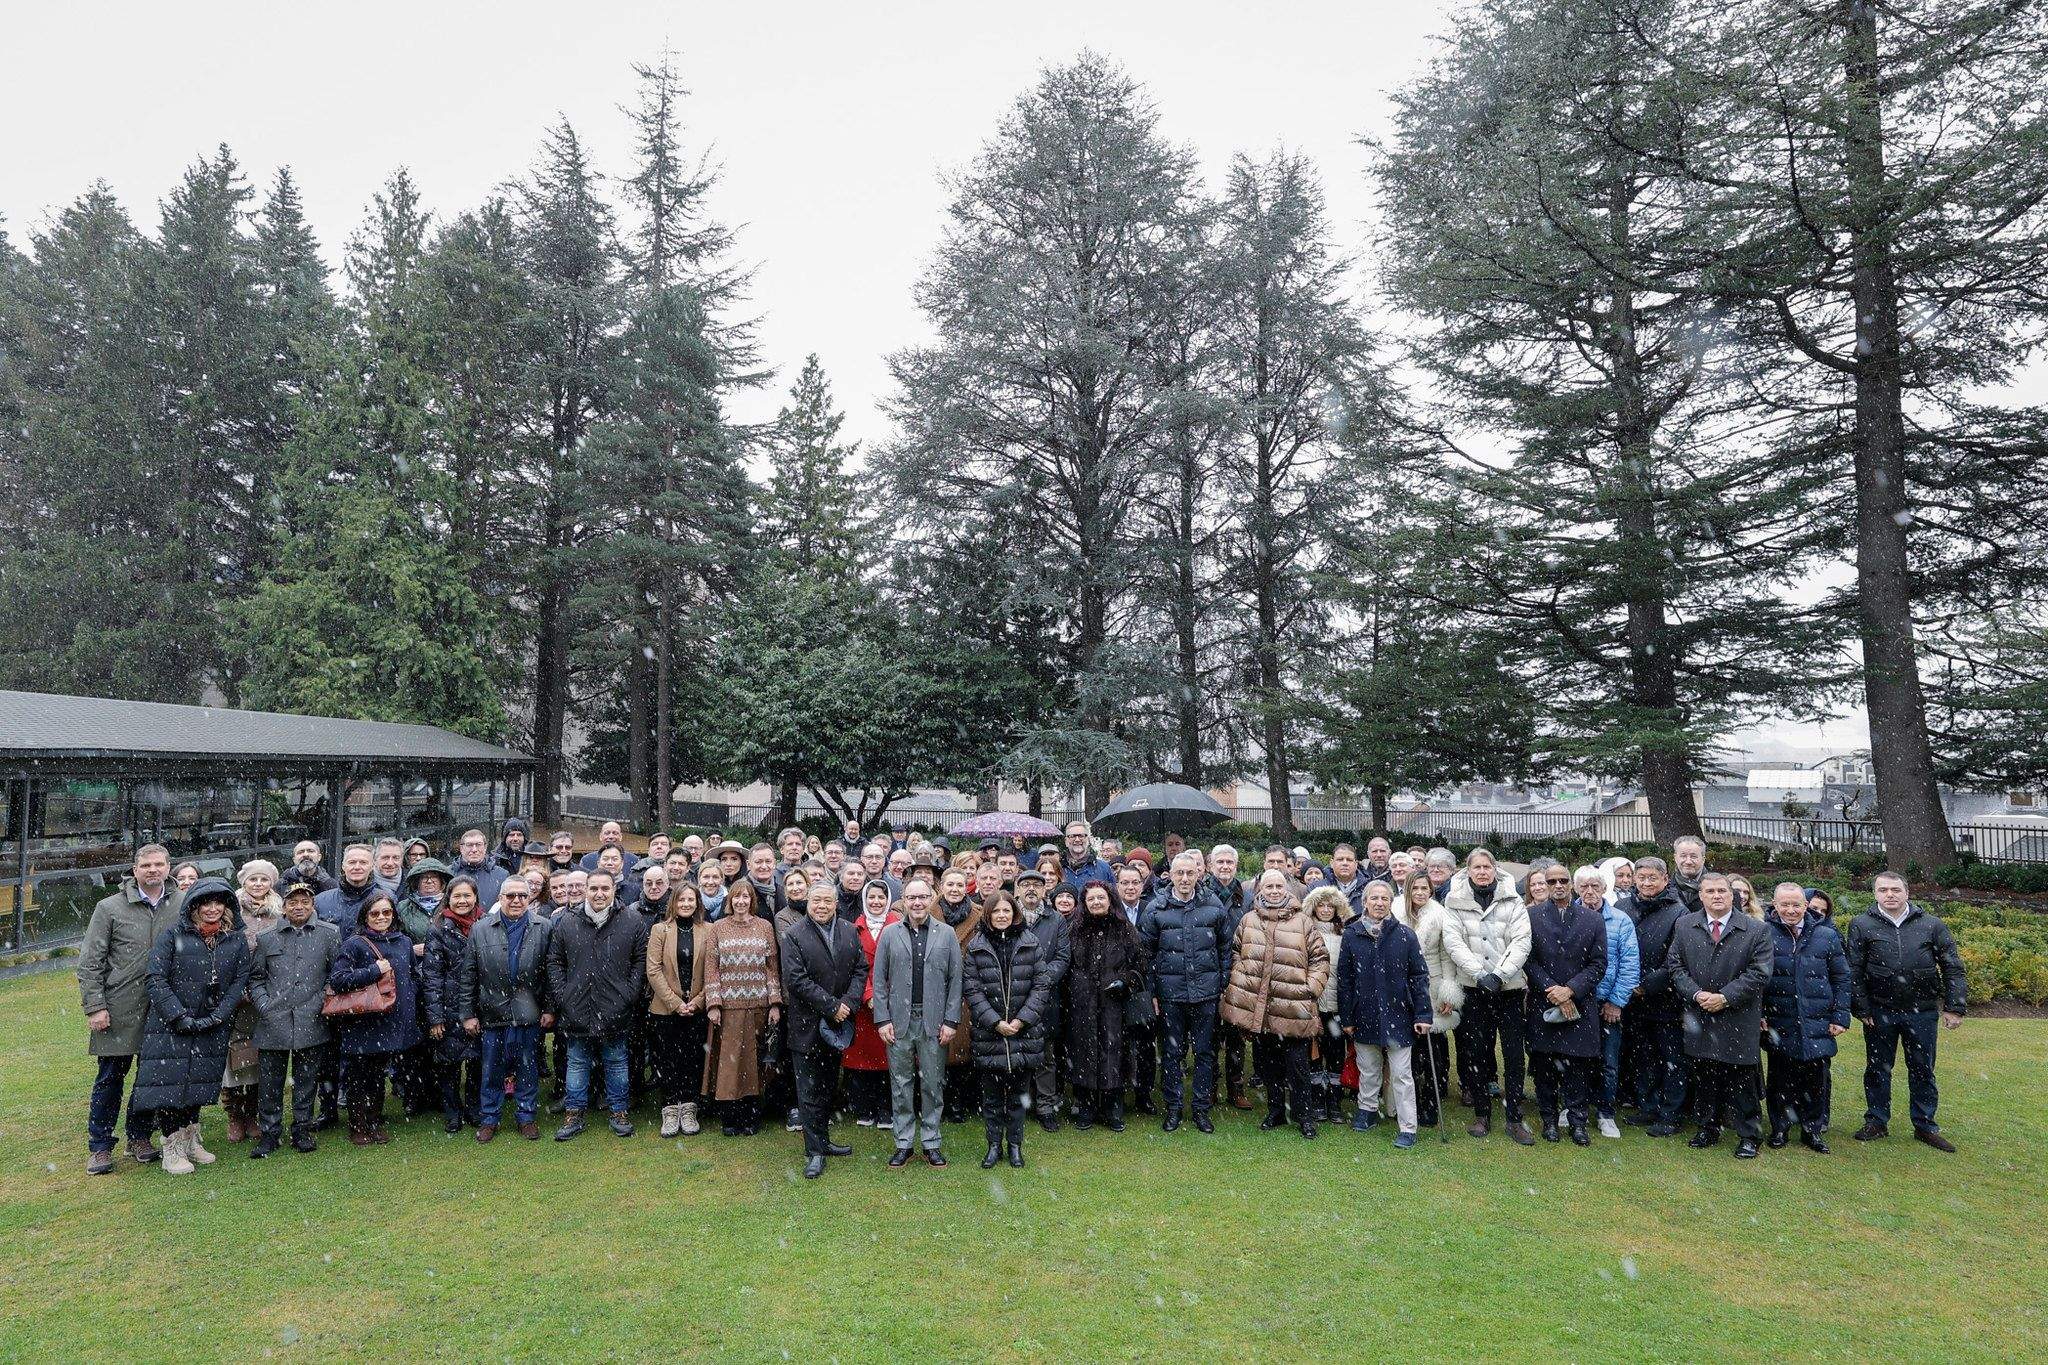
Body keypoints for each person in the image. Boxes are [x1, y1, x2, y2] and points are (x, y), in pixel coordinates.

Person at [133, 877, 252, 1175]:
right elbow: (156, 978)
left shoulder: (234, 939)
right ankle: (171, 1145)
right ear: (194, 906)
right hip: (171, 1024)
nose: (212, 909)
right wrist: (178, 1015)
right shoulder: (172, 935)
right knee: (171, 1083)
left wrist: (219, 1015)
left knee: (199, 1082)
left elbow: (239, 981)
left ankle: (190, 1138)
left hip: (211, 1024)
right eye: (205, 903)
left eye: (218, 902)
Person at [78, 844, 185, 1173]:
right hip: (120, 1007)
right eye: (146, 865)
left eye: (159, 864)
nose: (153, 870)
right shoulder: (110, 907)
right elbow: (90, 962)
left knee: (150, 1078)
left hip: (164, 1006)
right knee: (110, 1077)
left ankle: (139, 1136)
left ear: (168, 867)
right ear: (134, 869)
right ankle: (100, 1145)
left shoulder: (182, 904)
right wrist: (95, 1006)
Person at [1849, 871, 1967, 1151]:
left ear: (1907, 893)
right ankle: (1876, 1121)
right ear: (1875, 894)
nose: (1889, 895)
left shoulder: (1932, 925)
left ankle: (1925, 1125)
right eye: (1883, 890)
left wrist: (1954, 1007)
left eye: (1895, 890)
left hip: (1922, 1011)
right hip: (1879, 1011)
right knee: (1878, 1068)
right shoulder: (1861, 925)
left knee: (1923, 1069)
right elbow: (1854, 970)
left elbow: (1952, 966)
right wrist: (1861, 1007)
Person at [1667, 872, 1775, 1158]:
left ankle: (1749, 1135)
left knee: (1742, 1078)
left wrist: (1725, 997)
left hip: (1738, 1017)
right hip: (1699, 1014)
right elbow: (1676, 967)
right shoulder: (1685, 925)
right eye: (1710, 891)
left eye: (1722, 891)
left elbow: (1759, 973)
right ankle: (1707, 1128)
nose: (1716, 896)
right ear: (1701, 896)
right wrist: (1696, 994)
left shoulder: (1756, 930)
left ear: (1733, 896)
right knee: (1704, 1076)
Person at [1221, 869, 1331, 1139]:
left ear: (1287, 889)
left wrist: (1310, 988)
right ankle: (1275, 1111)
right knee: (1269, 1064)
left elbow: (1320, 958)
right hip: (1262, 1008)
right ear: (1260, 889)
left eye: (1278, 886)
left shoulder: (1303, 922)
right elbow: (1236, 952)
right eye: (1268, 886)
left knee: (1298, 1065)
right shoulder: (1248, 920)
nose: (1273, 891)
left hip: (1294, 1007)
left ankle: (1304, 1115)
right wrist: (1242, 979)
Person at [545, 868, 650, 1140]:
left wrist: (629, 994)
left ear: (614, 889)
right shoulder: (567, 922)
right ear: (585, 890)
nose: (599, 894)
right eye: (594, 889)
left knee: (616, 1061)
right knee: (577, 1062)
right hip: (576, 1007)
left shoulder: (632, 920)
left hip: (617, 1006)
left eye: (605, 888)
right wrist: (563, 996)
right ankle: (574, 1113)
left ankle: (619, 1111)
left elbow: (640, 961)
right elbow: (555, 962)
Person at [1440, 848, 1534, 1144]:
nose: (1482, 872)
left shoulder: (1513, 899)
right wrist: (1480, 974)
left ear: (1495, 869)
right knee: (1477, 1052)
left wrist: (1500, 974)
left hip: (1508, 990)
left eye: (1486, 866)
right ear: (1468, 871)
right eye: (1476, 867)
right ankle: (1482, 1113)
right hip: (1474, 988)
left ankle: (1514, 1117)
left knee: (1513, 1055)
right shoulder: (1454, 900)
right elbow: (1453, 942)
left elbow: (1521, 941)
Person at [872, 878, 965, 1166]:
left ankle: (931, 1142)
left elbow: (955, 980)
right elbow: (879, 981)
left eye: (923, 897)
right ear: (904, 900)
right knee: (901, 1083)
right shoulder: (889, 934)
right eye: (911, 897)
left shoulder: (946, 934)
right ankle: (903, 1142)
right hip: (899, 1021)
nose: (917, 903)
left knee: (933, 1083)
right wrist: (882, 1019)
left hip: (934, 1020)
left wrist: (951, 1020)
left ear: (931, 898)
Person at [779, 881, 868, 1178]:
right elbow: (795, 979)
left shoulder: (848, 930)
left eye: (827, 901)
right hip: (806, 1025)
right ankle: (814, 1151)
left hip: (838, 1023)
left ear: (835, 903)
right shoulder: (793, 935)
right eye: (816, 900)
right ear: (807, 902)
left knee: (829, 1086)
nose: (821, 906)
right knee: (808, 1091)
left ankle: (825, 1142)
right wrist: (832, 1006)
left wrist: (849, 1003)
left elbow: (860, 969)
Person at [246, 879, 340, 1158]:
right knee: (270, 1082)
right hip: (273, 1020)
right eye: (292, 902)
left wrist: (321, 1001)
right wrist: (264, 1005)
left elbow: (335, 975)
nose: (299, 907)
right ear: (283, 906)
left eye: (304, 901)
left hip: (312, 1018)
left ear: (312, 904)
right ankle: (269, 1133)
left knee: (307, 1079)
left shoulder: (329, 934)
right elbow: (256, 978)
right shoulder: (266, 937)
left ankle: (302, 1129)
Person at [1336, 880, 1432, 1148]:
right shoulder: (1352, 934)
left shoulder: (1405, 935)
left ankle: (1408, 1126)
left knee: (1402, 1074)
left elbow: (1419, 976)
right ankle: (1367, 1110)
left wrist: (1423, 1014)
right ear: (1364, 902)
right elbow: (1345, 980)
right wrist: (1347, 1018)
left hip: (1399, 1014)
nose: (1379, 903)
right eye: (1374, 898)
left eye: (1385, 899)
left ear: (1392, 903)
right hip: (1363, 1013)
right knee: (1368, 1069)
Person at [1139, 851, 1231, 1134]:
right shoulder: (1156, 909)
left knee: (1205, 1054)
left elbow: (1225, 949)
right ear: (1170, 875)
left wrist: (1222, 983)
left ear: (1199, 874)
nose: (1185, 878)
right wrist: (1152, 990)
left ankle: (1201, 1109)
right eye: (1179, 873)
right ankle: (1174, 1107)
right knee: (1171, 1053)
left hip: (1206, 994)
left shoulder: (1213, 906)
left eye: (1190, 873)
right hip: (1171, 995)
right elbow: (1146, 954)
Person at [963, 889, 1052, 1169]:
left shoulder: (1030, 943)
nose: (1002, 916)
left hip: (1024, 1033)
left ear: (1014, 914)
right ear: (988, 915)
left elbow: (1041, 985)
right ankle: (993, 1145)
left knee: (1017, 1097)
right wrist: (994, 1021)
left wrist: (1021, 1019)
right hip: (990, 1033)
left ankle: (1014, 1145)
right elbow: (972, 990)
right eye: (996, 911)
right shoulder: (976, 947)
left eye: (1006, 911)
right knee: (991, 1098)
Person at [459, 874, 551, 1142]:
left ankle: (526, 1116)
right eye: (510, 895)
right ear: (500, 899)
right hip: (492, 1012)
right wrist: (467, 1014)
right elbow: (469, 975)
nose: (516, 900)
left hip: (529, 1011)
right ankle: (490, 1118)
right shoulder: (481, 929)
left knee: (528, 1068)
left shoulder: (543, 927)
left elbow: (549, 974)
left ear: (529, 897)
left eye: (522, 895)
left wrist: (549, 1008)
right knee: (491, 1070)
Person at [326, 891, 419, 1146]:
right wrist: (373, 971)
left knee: (378, 1076)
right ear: (365, 915)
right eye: (375, 913)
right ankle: (358, 1125)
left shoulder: (404, 942)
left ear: (394, 915)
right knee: (358, 1076)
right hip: (363, 1020)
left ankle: (374, 1121)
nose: (381, 917)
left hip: (391, 1019)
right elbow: (338, 980)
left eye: (386, 912)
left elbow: (411, 978)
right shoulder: (354, 943)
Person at [1763, 881, 1850, 1151]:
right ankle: (1780, 1128)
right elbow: (1756, 978)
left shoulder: (1826, 935)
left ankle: (1812, 1130)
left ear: (1805, 906)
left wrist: (1840, 1015)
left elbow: (1842, 977)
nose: (1791, 910)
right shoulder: (1763, 933)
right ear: (1775, 905)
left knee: (1816, 1078)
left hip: (1817, 1017)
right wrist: (1760, 1013)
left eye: (1796, 904)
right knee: (1780, 1077)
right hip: (1780, 1017)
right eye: (1785, 904)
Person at [1524, 868, 1608, 1146]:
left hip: (1580, 1003)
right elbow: (1528, 960)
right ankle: (1549, 1120)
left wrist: (1570, 990)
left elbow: (1598, 964)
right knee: (1545, 1065)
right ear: (1544, 885)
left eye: (1563, 881)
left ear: (1572, 884)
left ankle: (1578, 1121)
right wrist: (1554, 991)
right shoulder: (1532, 916)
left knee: (1578, 1068)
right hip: (1543, 1001)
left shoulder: (1592, 919)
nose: (1558, 885)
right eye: (1552, 882)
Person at [701, 880, 782, 1137]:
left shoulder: (765, 927)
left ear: (752, 900)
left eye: (746, 897)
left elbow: (772, 968)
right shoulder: (718, 928)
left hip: (758, 1006)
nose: (741, 901)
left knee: (754, 1064)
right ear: (730, 900)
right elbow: (711, 969)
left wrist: (775, 1003)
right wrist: (713, 1004)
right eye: (736, 897)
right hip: (728, 1008)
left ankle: (752, 1115)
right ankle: (730, 1117)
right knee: (729, 1065)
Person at [1621, 856, 1691, 1135]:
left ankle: (1670, 1114)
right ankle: (1647, 1106)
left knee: (1671, 1058)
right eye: (1642, 877)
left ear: (1665, 879)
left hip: (1665, 999)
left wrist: (1647, 984)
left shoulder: (1679, 912)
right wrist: (1628, 984)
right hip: (1631, 999)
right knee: (1642, 1056)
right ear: (1634, 879)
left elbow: (1676, 957)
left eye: (1653, 878)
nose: (1647, 883)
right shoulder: (1623, 906)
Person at [220, 858, 284, 1142]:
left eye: (263, 880)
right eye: (252, 880)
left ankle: (254, 1112)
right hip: (234, 994)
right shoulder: (230, 912)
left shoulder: (280, 911)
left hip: (266, 993)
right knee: (232, 1055)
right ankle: (235, 1114)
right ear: (243, 882)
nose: (258, 885)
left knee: (260, 1055)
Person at [421, 875, 487, 1133]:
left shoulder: (485, 924)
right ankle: (452, 1112)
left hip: (480, 1004)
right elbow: (432, 975)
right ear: (449, 898)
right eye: (457, 896)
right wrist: (435, 1017)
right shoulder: (438, 928)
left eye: (467, 896)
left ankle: (473, 1108)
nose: (462, 901)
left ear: (475, 897)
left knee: (477, 1062)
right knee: (448, 1064)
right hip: (448, 1007)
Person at [1393, 872, 1457, 1129]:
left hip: (1432, 981)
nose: (1420, 892)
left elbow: (1447, 954)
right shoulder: (1395, 910)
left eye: (1424, 888)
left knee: (1433, 1048)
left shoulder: (1440, 914)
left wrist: (1447, 991)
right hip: (1400, 983)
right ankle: (1408, 1102)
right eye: (1415, 888)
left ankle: (1432, 1100)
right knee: (1406, 1049)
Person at [645, 881, 708, 1138]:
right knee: (666, 1060)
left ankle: (689, 1108)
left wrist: (697, 1001)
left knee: (693, 1059)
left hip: (697, 1009)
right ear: (674, 903)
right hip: (665, 1009)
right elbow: (653, 969)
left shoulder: (708, 930)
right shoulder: (660, 930)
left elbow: (713, 972)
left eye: (690, 900)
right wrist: (675, 1003)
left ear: (697, 903)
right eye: (681, 900)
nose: (685, 904)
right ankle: (670, 1109)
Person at [1583, 867, 1640, 1140]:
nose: (1590, 892)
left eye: (1595, 886)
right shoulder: (1571, 917)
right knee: (1575, 1059)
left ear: (1604, 888)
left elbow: (1629, 965)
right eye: (1583, 887)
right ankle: (1574, 1105)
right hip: (1578, 1002)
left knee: (1608, 1061)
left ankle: (1606, 1112)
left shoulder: (1620, 920)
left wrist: (1616, 1002)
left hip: (1608, 1002)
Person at [1014, 868, 1070, 1131]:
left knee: (1045, 1055)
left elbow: (1062, 957)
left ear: (1045, 889)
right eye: (1026, 884)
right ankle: (1019, 1104)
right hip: (1014, 997)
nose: (1031, 889)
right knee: (1017, 1054)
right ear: (1018, 889)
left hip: (1046, 998)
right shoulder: (1009, 917)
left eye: (1037, 884)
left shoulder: (1056, 920)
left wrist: (1041, 981)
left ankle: (1046, 1106)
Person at [843, 879, 900, 1127]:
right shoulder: (853, 928)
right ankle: (864, 1108)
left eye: (880, 897)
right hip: (864, 1006)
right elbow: (853, 966)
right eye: (871, 898)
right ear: (864, 900)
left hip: (893, 1004)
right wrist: (868, 995)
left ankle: (886, 1109)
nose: (876, 902)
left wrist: (885, 997)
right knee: (862, 1060)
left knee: (890, 1059)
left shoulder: (898, 925)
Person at [1112, 862, 1158, 1115]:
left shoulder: (1152, 911)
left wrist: (1152, 992)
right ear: (1117, 886)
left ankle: (1144, 1094)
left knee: (1145, 1046)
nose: (1130, 887)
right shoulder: (1111, 911)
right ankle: (1117, 1093)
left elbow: (1156, 953)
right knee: (1118, 1043)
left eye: (1135, 882)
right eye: (1125, 883)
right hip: (1117, 986)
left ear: (1142, 885)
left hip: (1143, 987)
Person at [1303, 886, 1349, 1123]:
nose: (1325, 910)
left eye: (1330, 906)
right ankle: (1316, 1099)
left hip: (1337, 1006)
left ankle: (1334, 1100)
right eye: (1321, 905)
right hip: (1313, 1004)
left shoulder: (1345, 935)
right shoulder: (1305, 933)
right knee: (1313, 1053)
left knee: (1335, 1053)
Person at [313, 844, 382, 936]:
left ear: (372, 866)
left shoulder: (384, 899)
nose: (357, 867)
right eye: (352, 862)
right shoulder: (320, 901)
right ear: (343, 866)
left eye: (363, 862)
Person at [448, 828, 510, 909]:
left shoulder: (502, 875)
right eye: (469, 845)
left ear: (485, 847)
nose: (474, 849)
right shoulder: (448, 873)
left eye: (478, 844)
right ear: (461, 848)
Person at [1060, 820, 1116, 897]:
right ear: (1066, 841)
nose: (1077, 840)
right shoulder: (1057, 868)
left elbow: (1114, 899)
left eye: (1081, 836)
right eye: (1072, 836)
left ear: (1088, 840)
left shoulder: (1104, 868)